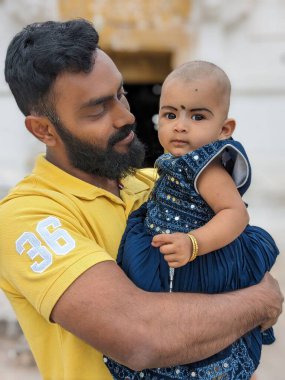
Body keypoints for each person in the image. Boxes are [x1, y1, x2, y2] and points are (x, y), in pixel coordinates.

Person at [0, 19, 282, 380]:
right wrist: (260, 302)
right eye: (98, 109)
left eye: (120, 94)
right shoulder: (29, 215)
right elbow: (140, 337)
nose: (127, 116)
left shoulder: (161, 184)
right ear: (43, 129)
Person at [104, 61, 280, 379]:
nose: (180, 126)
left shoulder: (206, 167)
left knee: (197, 341)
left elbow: (235, 213)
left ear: (225, 129)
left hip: (197, 261)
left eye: (197, 116)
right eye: (171, 115)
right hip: (172, 258)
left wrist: (194, 242)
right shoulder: (172, 162)